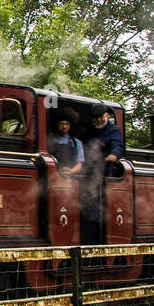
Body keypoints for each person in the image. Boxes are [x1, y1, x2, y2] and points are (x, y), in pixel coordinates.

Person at [80, 103, 124, 244]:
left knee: (97, 209)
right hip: (88, 173)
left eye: (101, 117)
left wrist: (114, 155)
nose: (98, 120)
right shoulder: (89, 131)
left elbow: (117, 145)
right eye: (95, 118)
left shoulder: (113, 130)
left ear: (107, 116)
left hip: (105, 173)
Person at [48, 110, 85, 176]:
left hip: (69, 178)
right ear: (57, 125)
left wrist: (71, 171)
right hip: (52, 175)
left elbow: (79, 164)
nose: (64, 127)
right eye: (62, 124)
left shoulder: (76, 143)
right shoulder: (49, 141)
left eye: (67, 124)